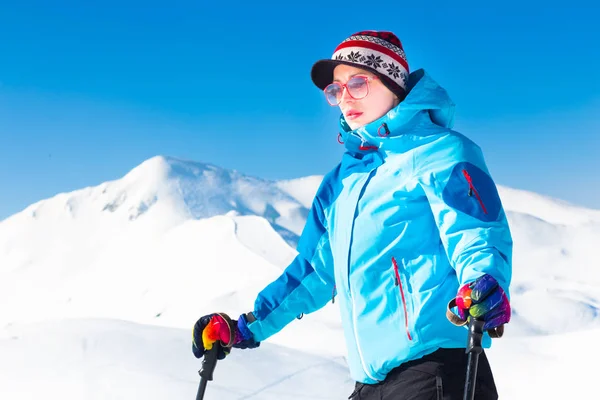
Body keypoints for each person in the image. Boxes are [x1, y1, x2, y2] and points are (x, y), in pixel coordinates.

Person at [192, 30, 512, 400]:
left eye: (357, 83)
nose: (344, 98)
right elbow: (313, 272)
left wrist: (483, 281)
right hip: (370, 383)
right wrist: (246, 327)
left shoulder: (441, 152)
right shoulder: (341, 183)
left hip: (436, 372)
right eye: (336, 89)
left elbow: (475, 232)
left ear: (393, 84)